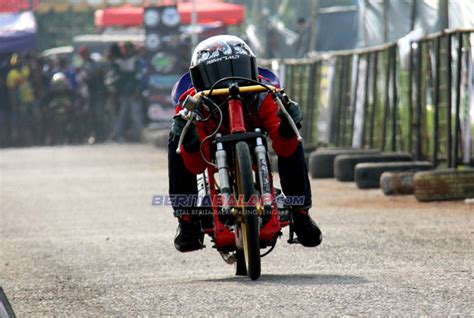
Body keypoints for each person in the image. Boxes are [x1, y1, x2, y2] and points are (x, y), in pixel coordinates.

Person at [168, 35, 322, 253]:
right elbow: (195, 166)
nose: (231, 85)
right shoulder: (193, 104)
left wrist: (288, 127)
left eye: (237, 71)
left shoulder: (265, 94)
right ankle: (186, 220)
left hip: (251, 136)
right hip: (210, 143)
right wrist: (190, 140)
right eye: (219, 74)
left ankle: (301, 214)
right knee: (177, 138)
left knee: (294, 135)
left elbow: (283, 146)